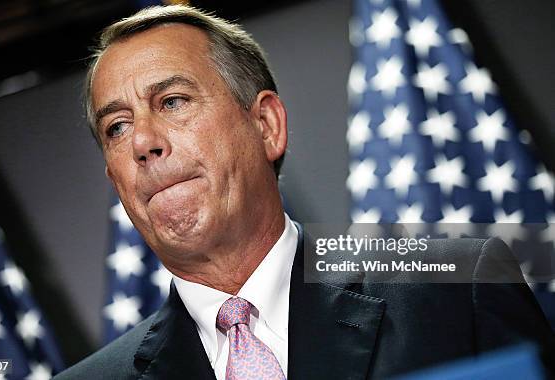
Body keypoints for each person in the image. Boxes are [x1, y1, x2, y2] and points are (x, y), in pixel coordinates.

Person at [55, 5, 555, 380]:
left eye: (172, 101)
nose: (143, 141)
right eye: (117, 127)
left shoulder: (455, 292)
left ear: (267, 125)